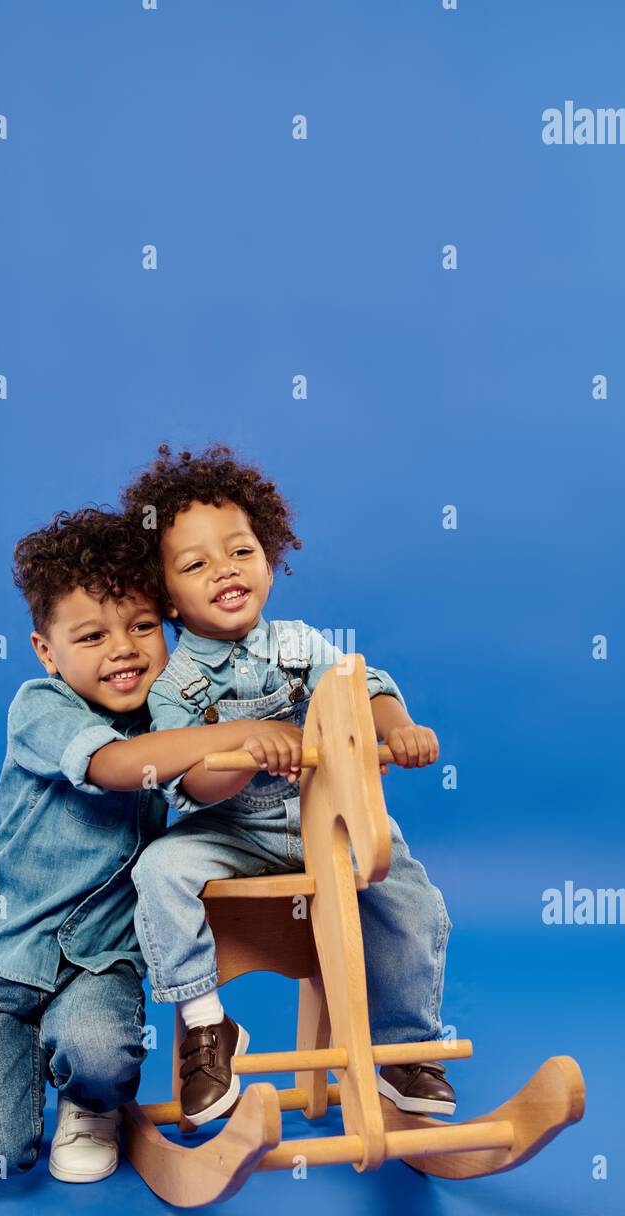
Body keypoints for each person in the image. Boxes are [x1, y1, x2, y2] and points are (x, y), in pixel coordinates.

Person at [0, 505, 288, 1183]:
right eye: (92, 636)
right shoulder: (41, 707)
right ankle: (2, 1055)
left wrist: (257, 750)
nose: (122, 649)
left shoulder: (178, 715)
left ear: (171, 628)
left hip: (103, 960)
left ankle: (89, 1100)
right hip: (5, 958)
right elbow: (117, 767)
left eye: (143, 627)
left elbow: (202, 788)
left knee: (100, 1050)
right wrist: (232, 736)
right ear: (47, 650)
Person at [121, 443, 456, 1128]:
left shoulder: (299, 644)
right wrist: (244, 753)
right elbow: (192, 787)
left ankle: (405, 1050)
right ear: (169, 601)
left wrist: (400, 724)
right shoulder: (175, 683)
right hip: (229, 833)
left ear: (269, 555)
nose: (224, 571)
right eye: (196, 564)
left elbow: (365, 685)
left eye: (240, 551)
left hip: (320, 825)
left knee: (407, 888)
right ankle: (208, 1024)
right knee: (158, 869)